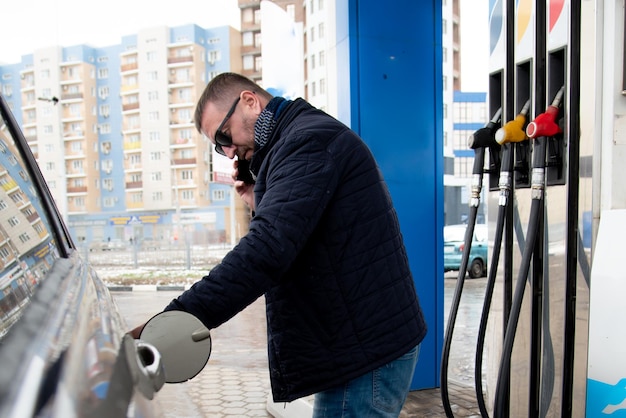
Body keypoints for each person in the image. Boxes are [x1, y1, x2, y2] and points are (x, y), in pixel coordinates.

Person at [131, 72, 427, 417]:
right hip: (361, 342)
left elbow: (267, 250)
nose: (229, 153)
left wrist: (180, 317)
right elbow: (312, 227)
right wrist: (260, 200)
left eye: (224, 136)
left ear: (250, 101)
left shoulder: (307, 143)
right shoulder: (297, 140)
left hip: (364, 351)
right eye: (219, 146)